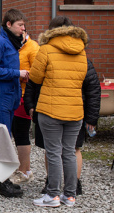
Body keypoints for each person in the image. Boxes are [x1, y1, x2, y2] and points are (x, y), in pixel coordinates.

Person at [24, 16, 88, 208]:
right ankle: (70, 196)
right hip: (75, 109)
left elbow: (34, 77)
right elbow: (83, 77)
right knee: (68, 152)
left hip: (50, 109)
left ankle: (52, 195)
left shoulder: (46, 48)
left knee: (53, 153)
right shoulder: (82, 50)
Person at [25, 58, 101, 197]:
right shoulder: (83, 58)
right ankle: (71, 187)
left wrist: (30, 104)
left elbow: (32, 82)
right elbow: (93, 89)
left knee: (54, 149)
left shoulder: (46, 55)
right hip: (73, 111)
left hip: (49, 109)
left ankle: (54, 186)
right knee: (71, 149)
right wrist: (91, 117)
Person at [0, 8, 28, 198]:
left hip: (10, 95)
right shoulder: (0, 43)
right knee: (2, 139)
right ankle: (0, 183)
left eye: (24, 25)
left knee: (5, 137)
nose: (23, 29)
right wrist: (17, 74)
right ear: (9, 25)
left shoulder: (13, 43)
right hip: (0, 95)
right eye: (20, 25)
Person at [9, 29, 40, 185]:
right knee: (15, 131)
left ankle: (25, 171)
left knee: (21, 132)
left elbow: (37, 74)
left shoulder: (33, 47)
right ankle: (22, 168)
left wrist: (21, 74)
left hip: (24, 96)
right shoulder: (16, 47)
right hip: (13, 95)